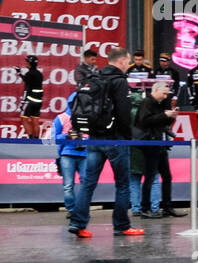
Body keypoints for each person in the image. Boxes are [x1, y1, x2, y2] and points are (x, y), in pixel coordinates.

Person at [68, 47, 144, 239]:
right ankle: (121, 226)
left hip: (94, 138)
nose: (128, 65)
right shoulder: (120, 81)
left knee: (88, 183)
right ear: (121, 61)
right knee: (123, 184)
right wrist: (127, 137)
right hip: (116, 140)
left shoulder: (95, 77)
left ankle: (77, 223)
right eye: (128, 62)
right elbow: (124, 113)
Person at [134, 78, 184, 218]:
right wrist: (164, 115)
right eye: (163, 93)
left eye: (167, 93)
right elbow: (145, 121)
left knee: (167, 177)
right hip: (150, 144)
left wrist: (171, 116)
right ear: (155, 90)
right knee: (149, 176)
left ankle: (167, 206)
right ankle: (145, 208)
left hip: (160, 143)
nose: (165, 96)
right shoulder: (146, 103)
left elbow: (161, 122)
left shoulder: (159, 104)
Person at [53, 92, 86, 213]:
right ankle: (72, 210)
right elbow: (53, 138)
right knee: (68, 185)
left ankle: (81, 208)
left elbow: (94, 137)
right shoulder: (61, 118)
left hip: (84, 153)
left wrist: (83, 139)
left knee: (85, 184)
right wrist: (67, 137)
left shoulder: (87, 118)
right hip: (67, 154)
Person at [18, 55, 43, 138]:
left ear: (29, 63)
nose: (26, 63)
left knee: (23, 118)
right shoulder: (39, 74)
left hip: (30, 100)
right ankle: (36, 140)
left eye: (27, 62)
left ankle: (31, 138)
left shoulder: (29, 74)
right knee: (35, 121)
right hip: (38, 101)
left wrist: (23, 101)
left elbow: (26, 88)